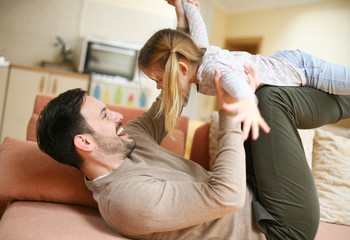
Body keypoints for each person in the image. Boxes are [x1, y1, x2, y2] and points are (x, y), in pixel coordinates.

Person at [137, 0, 350, 140]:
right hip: (286, 63)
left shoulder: (210, 70)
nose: (158, 87)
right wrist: (185, 7)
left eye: (159, 80)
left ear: (181, 68)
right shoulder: (198, 50)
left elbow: (234, 80)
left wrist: (247, 101)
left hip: (301, 68)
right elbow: (197, 23)